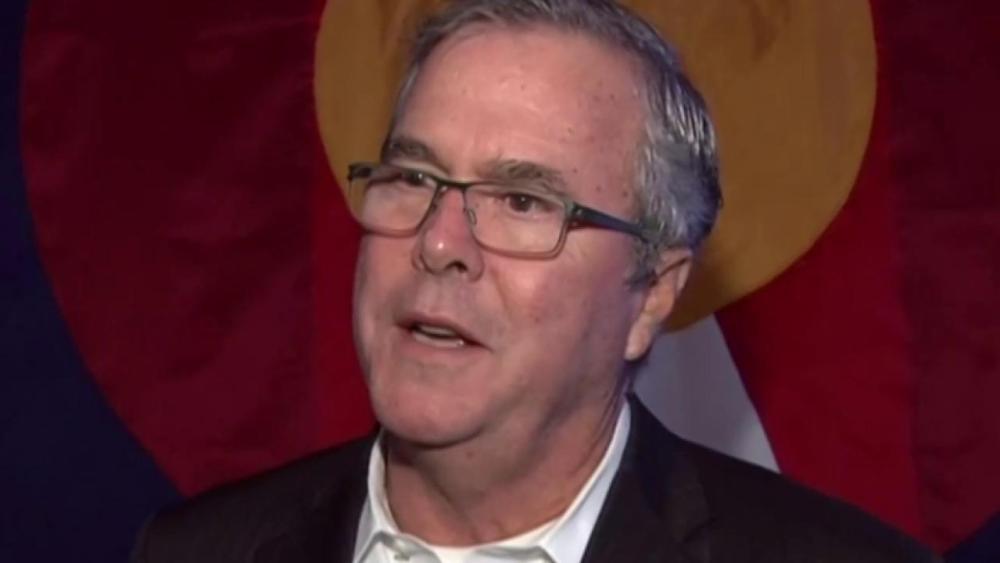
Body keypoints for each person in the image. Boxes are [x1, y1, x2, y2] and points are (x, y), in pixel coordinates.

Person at [131, 1, 939, 562]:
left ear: (652, 292)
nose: (439, 242)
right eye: (413, 178)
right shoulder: (192, 552)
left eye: (522, 201)